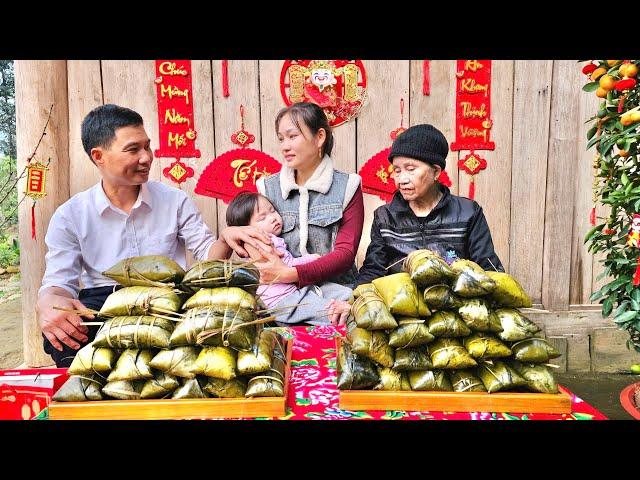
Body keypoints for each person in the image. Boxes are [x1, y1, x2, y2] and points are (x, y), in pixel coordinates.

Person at [37, 104, 271, 367]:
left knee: (228, 326)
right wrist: (49, 301)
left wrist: (225, 238)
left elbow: (207, 257)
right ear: (99, 156)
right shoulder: (70, 215)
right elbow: (59, 283)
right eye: (133, 149)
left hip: (170, 304)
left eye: (147, 147)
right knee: (65, 336)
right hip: (106, 306)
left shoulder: (174, 200)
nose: (147, 157)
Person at [356, 123, 504, 285]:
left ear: (436, 171)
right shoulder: (384, 217)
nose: (402, 179)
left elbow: (488, 268)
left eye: (411, 169)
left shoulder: (469, 213)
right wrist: (354, 300)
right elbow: (373, 270)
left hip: (455, 305)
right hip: (404, 305)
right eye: (397, 171)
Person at [254, 102, 365, 299]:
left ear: (320, 137)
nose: (284, 146)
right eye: (281, 139)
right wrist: (233, 232)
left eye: (292, 136)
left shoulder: (348, 186)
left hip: (338, 296)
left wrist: (291, 274)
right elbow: (255, 242)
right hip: (283, 298)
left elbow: (345, 254)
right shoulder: (267, 188)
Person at [226, 192, 352, 325]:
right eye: (262, 218)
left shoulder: (271, 239)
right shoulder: (258, 243)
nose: (273, 218)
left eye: (272, 211)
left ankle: (345, 304)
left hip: (296, 290)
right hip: (284, 302)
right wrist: (311, 259)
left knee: (347, 294)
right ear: (246, 229)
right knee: (329, 312)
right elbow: (286, 266)